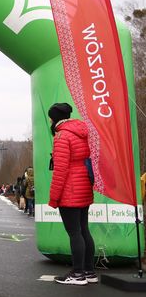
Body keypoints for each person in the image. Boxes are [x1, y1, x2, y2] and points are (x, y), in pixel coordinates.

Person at [47, 102, 97, 285]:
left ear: (56, 118)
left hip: (70, 189)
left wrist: (54, 197)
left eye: (51, 117)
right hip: (84, 185)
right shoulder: (81, 132)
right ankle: (89, 271)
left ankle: (77, 274)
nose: (50, 120)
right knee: (84, 230)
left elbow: (60, 170)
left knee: (74, 233)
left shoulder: (62, 136)